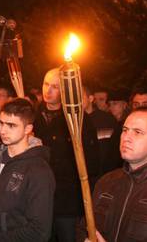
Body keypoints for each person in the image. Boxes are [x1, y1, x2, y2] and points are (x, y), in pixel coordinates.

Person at [0, 99, 55, 242]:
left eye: (11, 125)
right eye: (1, 123)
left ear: (28, 129)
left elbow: (40, 231)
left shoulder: (39, 171)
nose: (3, 130)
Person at [33, 68, 99, 242]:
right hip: (37, 198)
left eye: (55, 86)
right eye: (46, 84)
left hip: (67, 201)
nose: (48, 90)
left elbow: (91, 162)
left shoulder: (78, 119)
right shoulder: (31, 115)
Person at [81, 107, 147, 242]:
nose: (126, 137)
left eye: (137, 132)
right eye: (125, 130)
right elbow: (84, 226)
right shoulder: (106, 181)